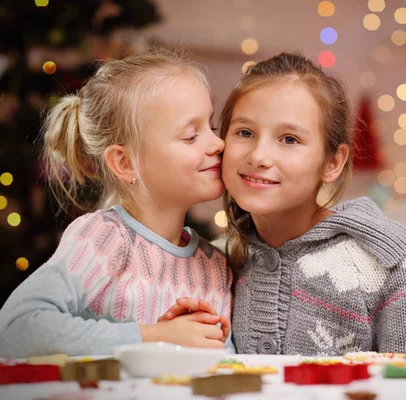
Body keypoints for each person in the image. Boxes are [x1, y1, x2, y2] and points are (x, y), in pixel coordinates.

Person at [163, 52, 406, 356]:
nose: (259, 156)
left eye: (289, 139)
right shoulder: (213, 262)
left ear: (332, 162)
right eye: (245, 132)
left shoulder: (386, 261)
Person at [0, 49, 232, 358]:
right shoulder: (104, 239)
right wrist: (154, 337)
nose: (218, 143)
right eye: (191, 136)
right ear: (125, 163)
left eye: (211, 127)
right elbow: (16, 328)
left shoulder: (215, 263)